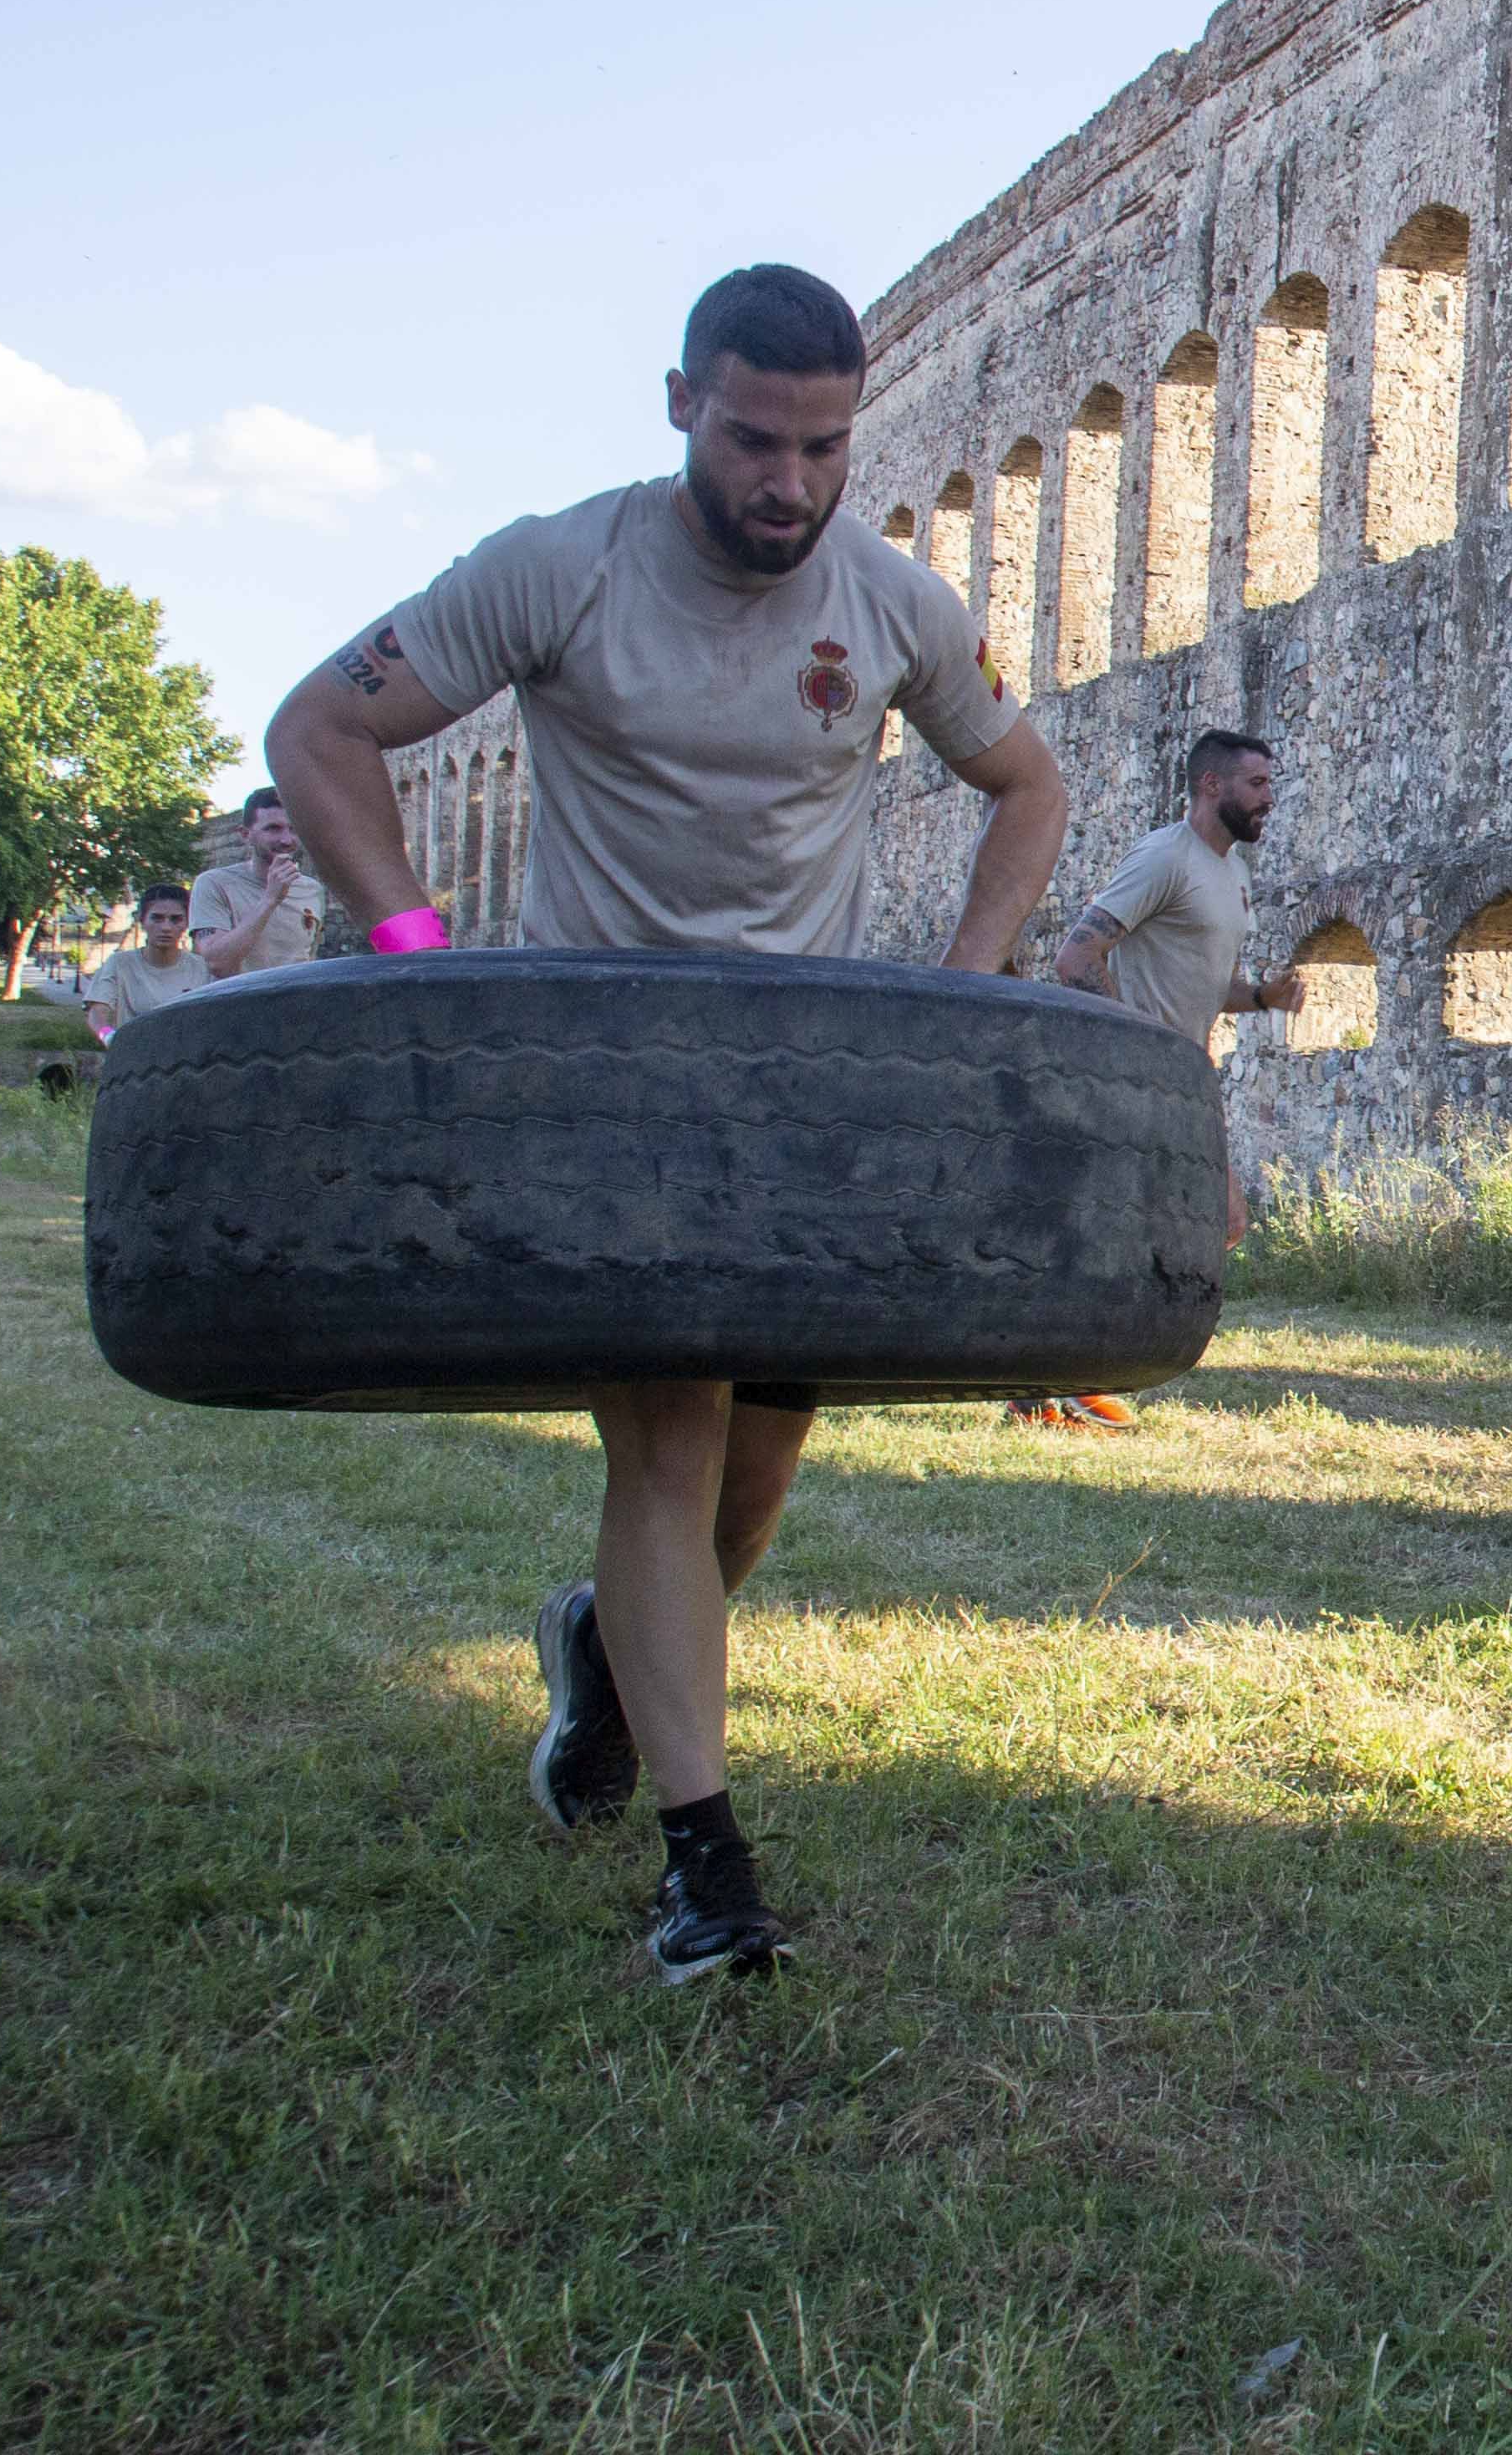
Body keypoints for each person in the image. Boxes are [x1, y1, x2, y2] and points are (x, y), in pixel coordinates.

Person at [259, 261, 1072, 1984]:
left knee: (755, 1477)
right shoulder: (564, 567)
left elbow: (1028, 783)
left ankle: (605, 1655)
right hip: (609, 1087)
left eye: (824, 446)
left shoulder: (898, 607)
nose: (787, 482)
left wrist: (965, 984)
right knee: (674, 1436)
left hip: (810, 1095)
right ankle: (708, 1873)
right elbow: (322, 729)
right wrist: (422, 957)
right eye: (754, 438)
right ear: (681, 404)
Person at [1031, 727, 1301, 1428]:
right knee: (1148, 1225)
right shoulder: (1163, 858)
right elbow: (1076, 958)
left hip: (1188, 1075)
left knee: (1222, 1222)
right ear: (1212, 786)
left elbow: (1207, 985)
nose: (1269, 798)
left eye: (1270, 784)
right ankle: (1063, 1375)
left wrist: (1264, 996)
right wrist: (1135, 1046)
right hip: (1140, 1077)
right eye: (1257, 784)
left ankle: (1061, 1370)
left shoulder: (1233, 872)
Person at [189, 786, 326, 980]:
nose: (287, 840)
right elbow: (217, 964)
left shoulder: (312, 889)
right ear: (245, 835)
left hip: (296, 1006)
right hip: (235, 1006)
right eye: (273, 829)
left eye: (293, 829)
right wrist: (270, 899)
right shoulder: (213, 884)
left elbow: (307, 959)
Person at [82, 887, 210, 1040]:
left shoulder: (202, 968)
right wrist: (108, 1037)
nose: (166, 927)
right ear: (142, 921)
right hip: (133, 1056)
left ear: (187, 923)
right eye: (157, 918)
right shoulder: (119, 964)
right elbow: (97, 1011)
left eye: (176, 919)